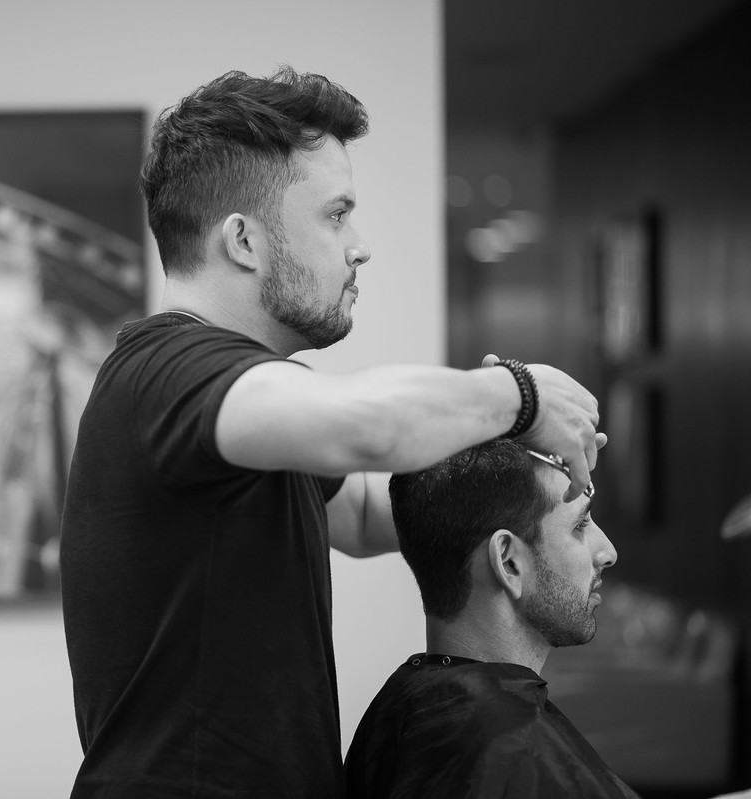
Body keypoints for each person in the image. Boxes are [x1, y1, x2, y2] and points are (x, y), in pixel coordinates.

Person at [60, 66, 602, 798]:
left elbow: (373, 512)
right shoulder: (168, 373)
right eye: (336, 214)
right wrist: (522, 395)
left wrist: (532, 497)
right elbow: (369, 427)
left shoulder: (238, 409)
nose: (359, 245)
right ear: (244, 241)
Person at [344, 438, 636, 797]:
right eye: (580, 525)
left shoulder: (400, 712)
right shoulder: (513, 753)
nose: (608, 552)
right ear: (509, 562)